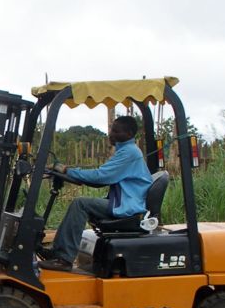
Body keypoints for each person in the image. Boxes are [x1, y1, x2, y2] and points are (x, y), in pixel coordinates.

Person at [39, 115, 153, 270]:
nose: (111, 134)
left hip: (128, 206)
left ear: (129, 134)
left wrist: (67, 171)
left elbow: (101, 177)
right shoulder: (126, 151)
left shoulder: (129, 152)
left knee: (80, 204)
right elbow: (100, 179)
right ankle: (57, 253)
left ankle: (63, 258)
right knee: (82, 203)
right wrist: (73, 174)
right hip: (124, 202)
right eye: (112, 130)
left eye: (116, 131)